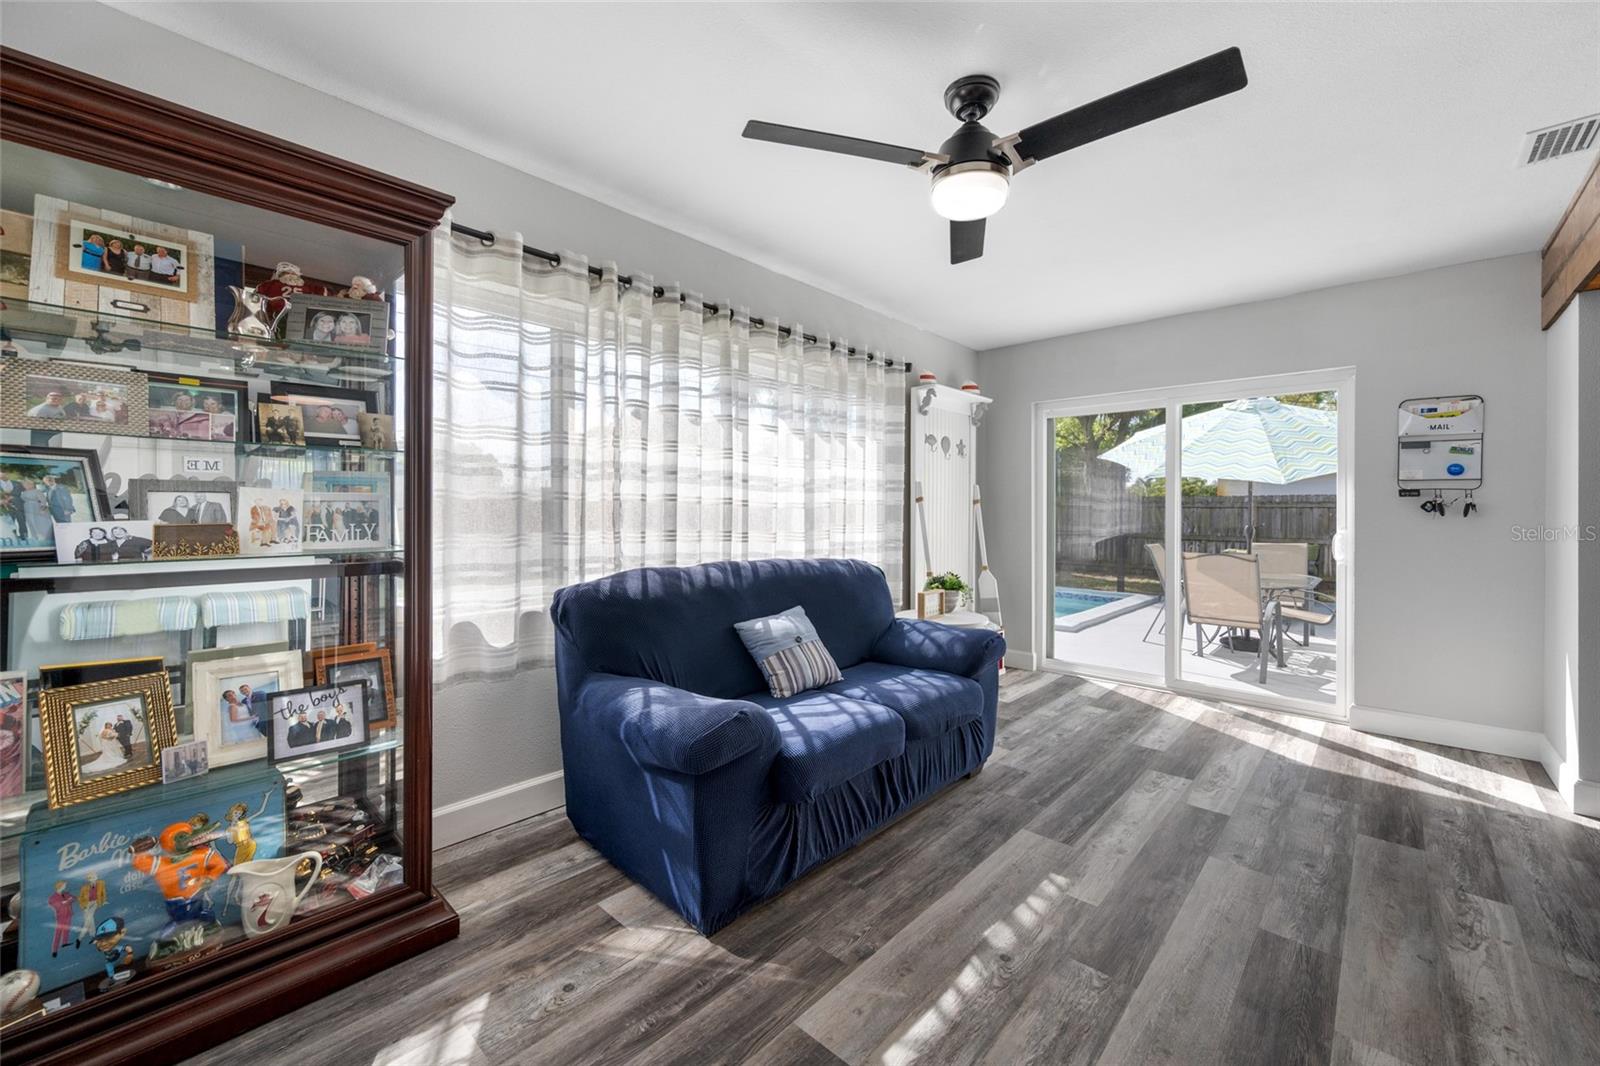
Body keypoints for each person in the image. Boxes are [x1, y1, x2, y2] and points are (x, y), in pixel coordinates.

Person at [74, 873, 107, 950]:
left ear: (96, 878)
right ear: (88, 880)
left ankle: (79, 939)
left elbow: (103, 893)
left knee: (87, 922)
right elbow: (80, 898)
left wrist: (103, 901)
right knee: (90, 921)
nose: (92, 880)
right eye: (90, 879)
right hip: (87, 904)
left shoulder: (101, 883)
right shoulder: (84, 888)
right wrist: (83, 907)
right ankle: (93, 937)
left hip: (95, 903)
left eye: (93, 878)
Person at [46, 880, 75, 958]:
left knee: (67, 929)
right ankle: (54, 950)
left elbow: (73, 898)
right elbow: (53, 904)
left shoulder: (65, 894)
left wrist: (68, 901)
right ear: (60, 886)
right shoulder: (53, 897)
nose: (65, 887)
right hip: (61, 916)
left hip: (68, 914)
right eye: (64, 885)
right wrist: (65, 902)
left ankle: (65, 942)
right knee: (58, 933)